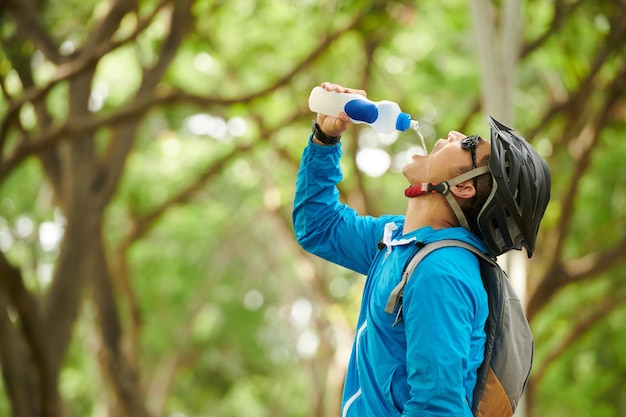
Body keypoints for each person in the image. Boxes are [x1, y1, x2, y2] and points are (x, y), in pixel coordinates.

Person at [292, 82, 551, 416]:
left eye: (468, 144)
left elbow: (437, 408)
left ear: (464, 187)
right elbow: (319, 226)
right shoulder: (400, 242)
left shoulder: (440, 273)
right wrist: (325, 138)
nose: (455, 134)